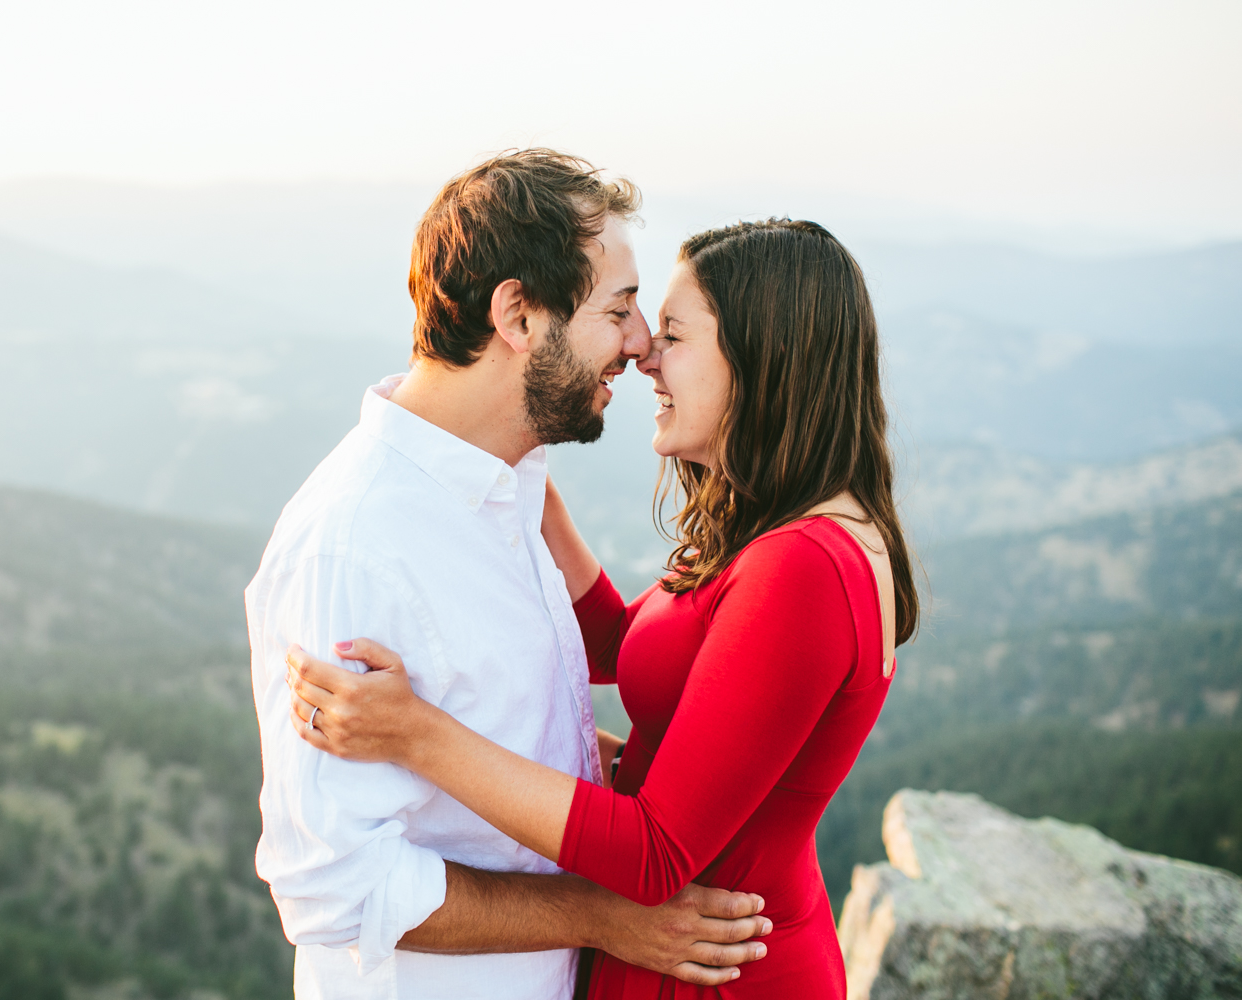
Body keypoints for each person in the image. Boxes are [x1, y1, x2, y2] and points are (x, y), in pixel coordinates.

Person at [284, 218, 920, 999]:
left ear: (764, 358)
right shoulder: (779, 528)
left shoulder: (804, 569)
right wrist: (518, 487)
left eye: (675, 335)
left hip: (713, 969)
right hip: (679, 956)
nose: (645, 350)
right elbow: (630, 649)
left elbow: (656, 851)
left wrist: (417, 735)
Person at [245, 151, 770, 1000]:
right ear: (518, 315)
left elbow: (518, 726)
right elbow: (335, 888)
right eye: (618, 310)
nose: (638, 345)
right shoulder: (355, 545)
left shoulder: (503, 487)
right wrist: (603, 914)